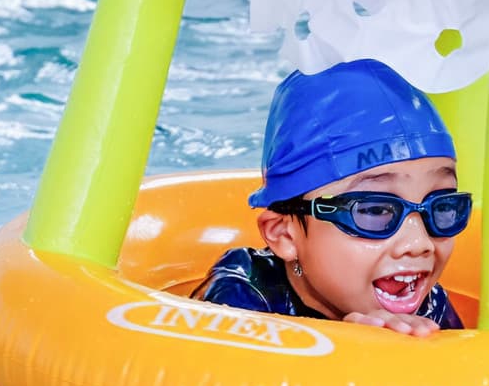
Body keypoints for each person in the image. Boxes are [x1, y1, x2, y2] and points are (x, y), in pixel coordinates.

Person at [192, 58, 468, 337]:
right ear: (285, 236)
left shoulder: (431, 306)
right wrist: (346, 350)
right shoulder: (240, 296)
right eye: (373, 211)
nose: (420, 244)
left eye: (442, 206)